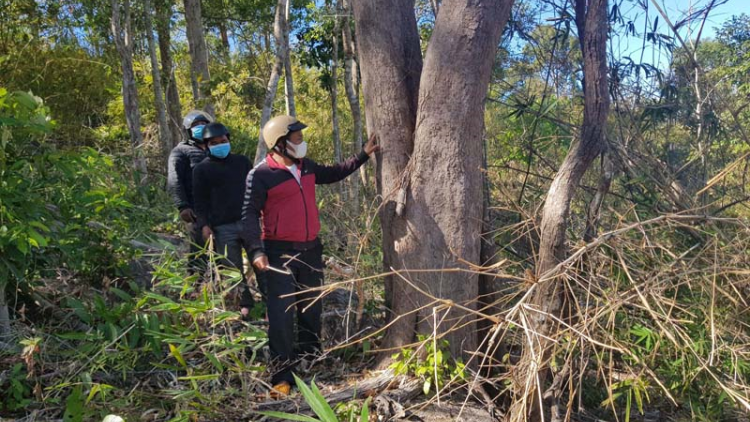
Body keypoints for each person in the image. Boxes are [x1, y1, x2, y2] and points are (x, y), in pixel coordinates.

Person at [241, 115, 379, 397]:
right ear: (279, 143)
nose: (301, 142)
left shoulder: (307, 167)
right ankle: (281, 374)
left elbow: (336, 172)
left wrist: (363, 155)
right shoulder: (261, 174)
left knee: (310, 308)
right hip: (278, 254)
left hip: (311, 250)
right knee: (281, 315)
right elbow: (248, 216)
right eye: (297, 137)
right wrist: (256, 250)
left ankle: (311, 358)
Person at [192, 122, 255, 316]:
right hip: (222, 227)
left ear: (229, 140)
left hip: (248, 222)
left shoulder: (242, 162)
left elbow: (255, 190)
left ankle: (272, 303)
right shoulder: (201, 170)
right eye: (215, 142)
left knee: (261, 263)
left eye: (223, 141)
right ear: (207, 145)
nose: (220, 145)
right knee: (232, 269)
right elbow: (199, 202)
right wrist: (204, 226)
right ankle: (244, 306)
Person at [167, 110, 212, 277]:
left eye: (203, 124)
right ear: (188, 130)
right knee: (199, 248)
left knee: (222, 249)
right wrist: (182, 205)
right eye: (196, 126)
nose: (200, 127)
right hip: (194, 210)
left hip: (217, 208)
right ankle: (195, 285)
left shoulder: (213, 149)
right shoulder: (181, 151)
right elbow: (174, 180)